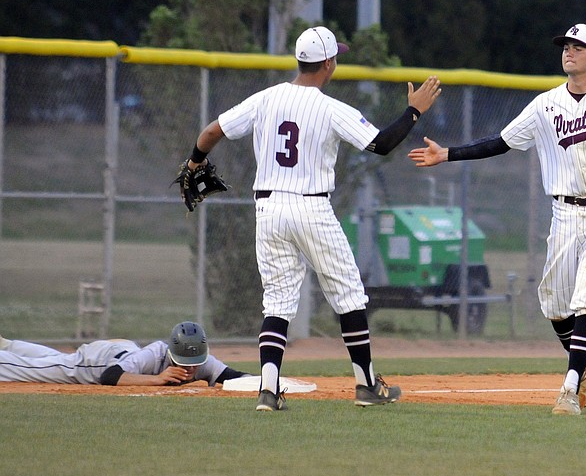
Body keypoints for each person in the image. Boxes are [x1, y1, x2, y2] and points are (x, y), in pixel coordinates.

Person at [409, 23, 586, 415]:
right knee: (554, 303)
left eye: (578, 47)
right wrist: (447, 154)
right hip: (564, 212)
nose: (569, 51)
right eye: (565, 45)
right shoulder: (545, 105)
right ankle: (583, 362)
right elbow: (501, 141)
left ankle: (568, 389)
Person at [181, 26, 442, 412]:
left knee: (278, 300)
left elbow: (211, 131)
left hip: (268, 209)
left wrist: (194, 162)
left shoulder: (265, 99)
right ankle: (366, 385)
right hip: (311, 208)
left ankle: (268, 391)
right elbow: (383, 143)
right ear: (328, 63)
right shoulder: (331, 108)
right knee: (349, 294)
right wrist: (414, 110)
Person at [0, 321, 249, 387]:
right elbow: (110, 376)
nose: (191, 368)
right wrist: (157, 378)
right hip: (99, 362)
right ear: (172, 353)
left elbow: (232, 375)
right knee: (37, 370)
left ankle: (9, 345)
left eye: (196, 363)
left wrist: (268, 380)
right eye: (184, 362)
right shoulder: (156, 353)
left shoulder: (202, 361)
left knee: (55, 359)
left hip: (123, 349)